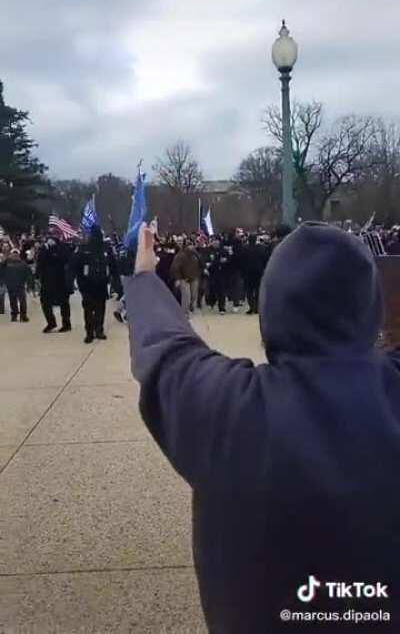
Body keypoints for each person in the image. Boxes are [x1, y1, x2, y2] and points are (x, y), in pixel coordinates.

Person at [125, 222, 400, 633]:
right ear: (371, 308)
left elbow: (165, 347)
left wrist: (146, 279)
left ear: (271, 312)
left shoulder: (227, 407)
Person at [73, 225, 117, 343]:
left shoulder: (106, 248)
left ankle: (98, 330)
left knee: (99, 308)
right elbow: (75, 265)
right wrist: (76, 281)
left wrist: (115, 281)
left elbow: (113, 265)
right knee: (88, 309)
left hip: (101, 283)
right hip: (87, 284)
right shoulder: (83, 248)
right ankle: (89, 332)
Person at [36, 235, 74, 333]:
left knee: (64, 303)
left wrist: (55, 249)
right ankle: (51, 322)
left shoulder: (63, 248)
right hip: (47, 281)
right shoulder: (44, 249)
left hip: (61, 281)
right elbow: (40, 263)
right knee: (45, 303)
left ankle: (66, 324)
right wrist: (46, 249)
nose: (50, 242)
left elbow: (66, 260)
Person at [170, 239, 201, 317]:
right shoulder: (180, 255)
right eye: (189, 245)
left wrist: (199, 273)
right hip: (183, 278)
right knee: (186, 296)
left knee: (194, 295)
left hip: (194, 277)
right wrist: (177, 279)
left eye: (192, 245)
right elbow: (175, 268)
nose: (191, 247)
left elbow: (201, 264)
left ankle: (191, 307)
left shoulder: (196, 254)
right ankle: (185, 313)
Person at [3, 248, 30, 322]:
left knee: (13, 300)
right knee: (22, 300)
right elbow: (27, 275)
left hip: (11, 284)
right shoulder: (23, 263)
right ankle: (23, 316)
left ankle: (15, 316)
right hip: (19, 285)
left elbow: (2, 271)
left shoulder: (6, 262)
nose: (14, 255)